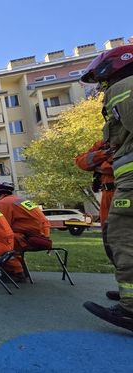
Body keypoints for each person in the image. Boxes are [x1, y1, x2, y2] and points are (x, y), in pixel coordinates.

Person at [80, 44, 133, 332]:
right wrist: (104, 156)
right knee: (116, 241)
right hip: (116, 186)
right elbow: (84, 160)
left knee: (123, 240)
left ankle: (131, 308)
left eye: (101, 83)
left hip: (126, 185)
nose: (101, 89)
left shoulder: (124, 87)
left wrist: (106, 159)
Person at [75, 140, 119, 300]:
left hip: (123, 191)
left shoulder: (126, 139)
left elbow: (119, 166)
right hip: (107, 197)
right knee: (111, 245)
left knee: (125, 244)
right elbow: (82, 161)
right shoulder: (104, 143)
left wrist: (100, 165)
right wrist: (104, 154)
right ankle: (126, 289)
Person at [0, 182, 51, 283]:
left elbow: (2, 227)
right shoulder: (16, 200)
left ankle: (15, 272)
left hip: (31, 238)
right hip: (42, 236)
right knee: (8, 239)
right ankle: (20, 270)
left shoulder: (3, 203)